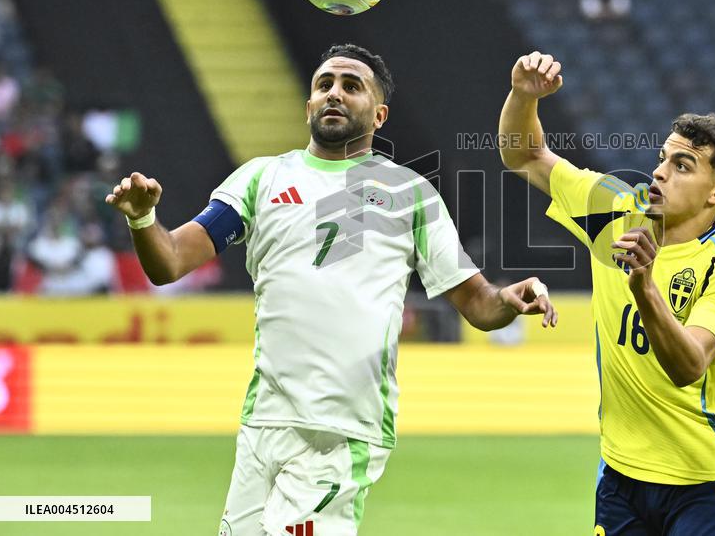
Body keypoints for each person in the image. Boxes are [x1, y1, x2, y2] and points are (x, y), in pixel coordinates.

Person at [105, 44, 558, 536]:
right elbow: (169, 261)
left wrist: (508, 300)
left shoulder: (409, 194)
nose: (334, 94)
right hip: (265, 424)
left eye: (351, 86)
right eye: (324, 85)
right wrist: (143, 219)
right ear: (308, 107)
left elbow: (475, 301)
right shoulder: (261, 179)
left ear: (379, 114)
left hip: (343, 432)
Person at [499, 51, 715, 535]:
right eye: (663, 158)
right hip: (620, 475)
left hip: (702, 477)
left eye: (683, 165)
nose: (660, 172)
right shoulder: (616, 212)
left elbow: (688, 367)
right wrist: (523, 96)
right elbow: (525, 155)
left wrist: (644, 288)